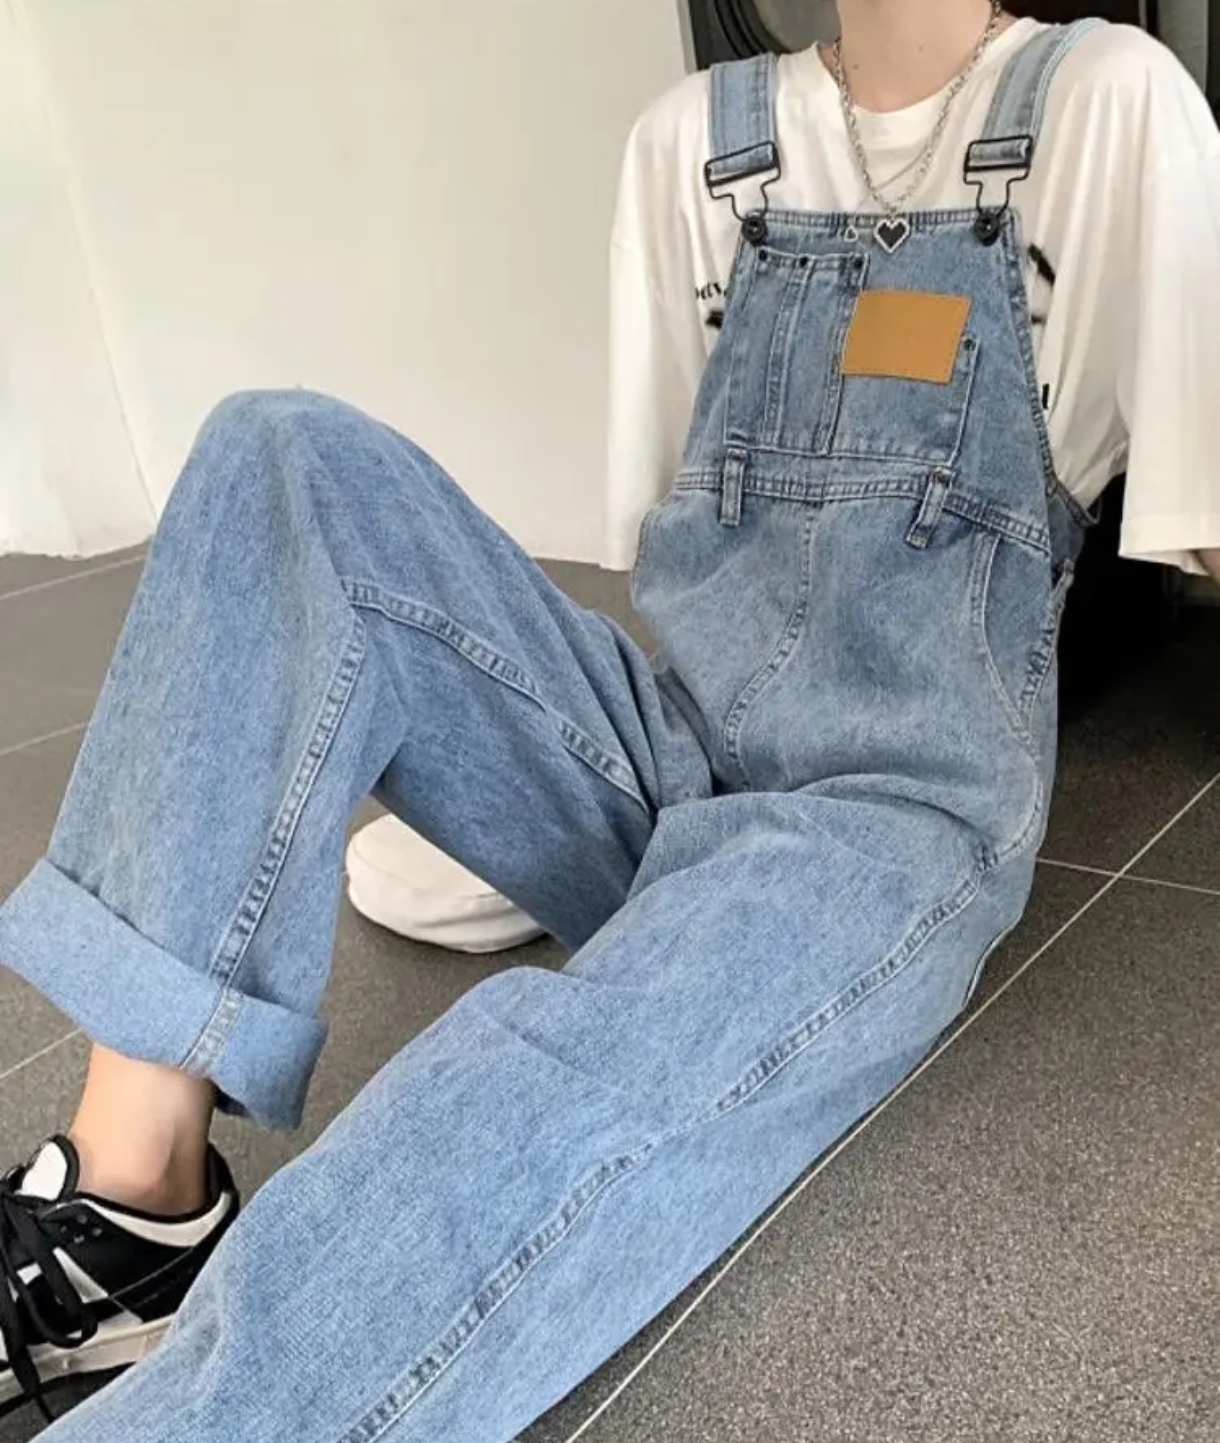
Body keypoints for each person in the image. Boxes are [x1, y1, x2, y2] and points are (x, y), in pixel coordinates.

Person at [1, 3, 1217, 1439]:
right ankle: (129, 1209)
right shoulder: (693, 142)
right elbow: (685, 543)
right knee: (285, 459)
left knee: (551, 1079)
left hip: (892, 813)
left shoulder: (1109, 102)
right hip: (675, 751)